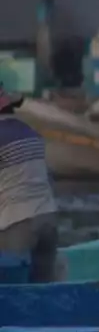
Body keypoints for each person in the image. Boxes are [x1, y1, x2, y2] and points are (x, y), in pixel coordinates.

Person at [0, 86, 59, 283]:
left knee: (11, 294)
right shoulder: (32, 133)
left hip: (18, 224)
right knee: (43, 292)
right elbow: (48, 180)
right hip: (48, 220)